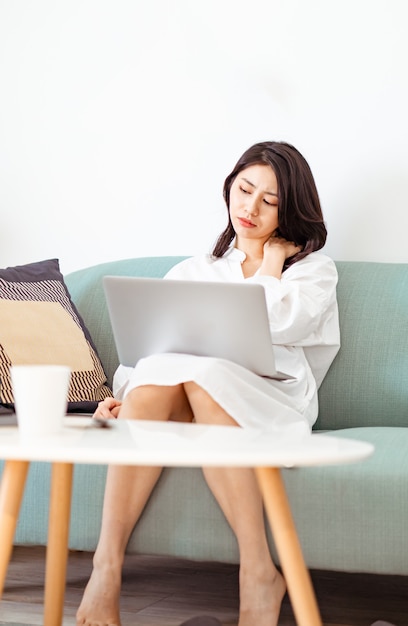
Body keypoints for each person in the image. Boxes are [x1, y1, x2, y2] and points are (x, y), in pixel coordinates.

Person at [76, 141, 340, 626]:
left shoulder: (312, 272)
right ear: (229, 187)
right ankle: (105, 567)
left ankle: (257, 571)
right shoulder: (194, 271)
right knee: (168, 375)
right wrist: (122, 396)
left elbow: (282, 325)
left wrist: (269, 267)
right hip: (190, 395)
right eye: (244, 190)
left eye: (270, 201)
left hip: (271, 398)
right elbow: (149, 348)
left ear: (291, 210)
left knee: (205, 375)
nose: (250, 208)